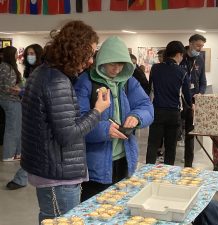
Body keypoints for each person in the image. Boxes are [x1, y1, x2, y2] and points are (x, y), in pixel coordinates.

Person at [20, 21, 111, 224]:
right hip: (57, 174)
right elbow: (68, 134)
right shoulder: (56, 81)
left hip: (49, 168)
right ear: (75, 51)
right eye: (88, 55)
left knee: (50, 218)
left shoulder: (43, 73)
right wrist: (98, 111)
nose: (90, 61)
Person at [74, 36, 154, 202]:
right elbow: (77, 123)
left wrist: (136, 117)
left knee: (120, 207)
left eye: (121, 64)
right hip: (95, 163)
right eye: (112, 64)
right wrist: (104, 130)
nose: (117, 69)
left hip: (125, 159)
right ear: (102, 60)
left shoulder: (129, 82)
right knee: (94, 208)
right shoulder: (85, 82)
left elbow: (146, 106)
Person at [146, 41, 191, 165]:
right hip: (173, 113)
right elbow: (187, 96)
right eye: (182, 56)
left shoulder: (155, 68)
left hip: (157, 111)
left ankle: (147, 171)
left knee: (153, 144)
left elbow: (150, 88)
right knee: (170, 147)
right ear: (178, 54)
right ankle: (167, 173)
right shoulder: (182, 72)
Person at [6, 44, 44, 190]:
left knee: (33, 147)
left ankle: (21, 178)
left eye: (33, 53)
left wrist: (21, 92)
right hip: (30, 112)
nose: (30, 56)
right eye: (28, 53)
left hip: (38, 113)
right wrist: (21, 90)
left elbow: (36, 92)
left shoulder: (42, 71)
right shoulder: (31, 71)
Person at [180, 34, 207, 167]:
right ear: (190, 43)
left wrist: (200, 95)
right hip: (179, 101)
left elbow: (203, 81)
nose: (200, 48)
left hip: (193, 102)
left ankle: (188, 164)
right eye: (198, 45)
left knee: (190, 135)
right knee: (175, 133)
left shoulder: (200, 59)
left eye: (202, 46)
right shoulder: (180, 57)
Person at [0, 46, 22, 162]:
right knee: (12, 128)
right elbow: (5, 87)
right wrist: (17, 89)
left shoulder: (10, 67)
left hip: (14, 100)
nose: (17, 55)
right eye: (15, 53)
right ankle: (8, 154)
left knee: (18, 127)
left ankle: (18, 153)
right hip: (9, 100)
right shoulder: (5, 67)